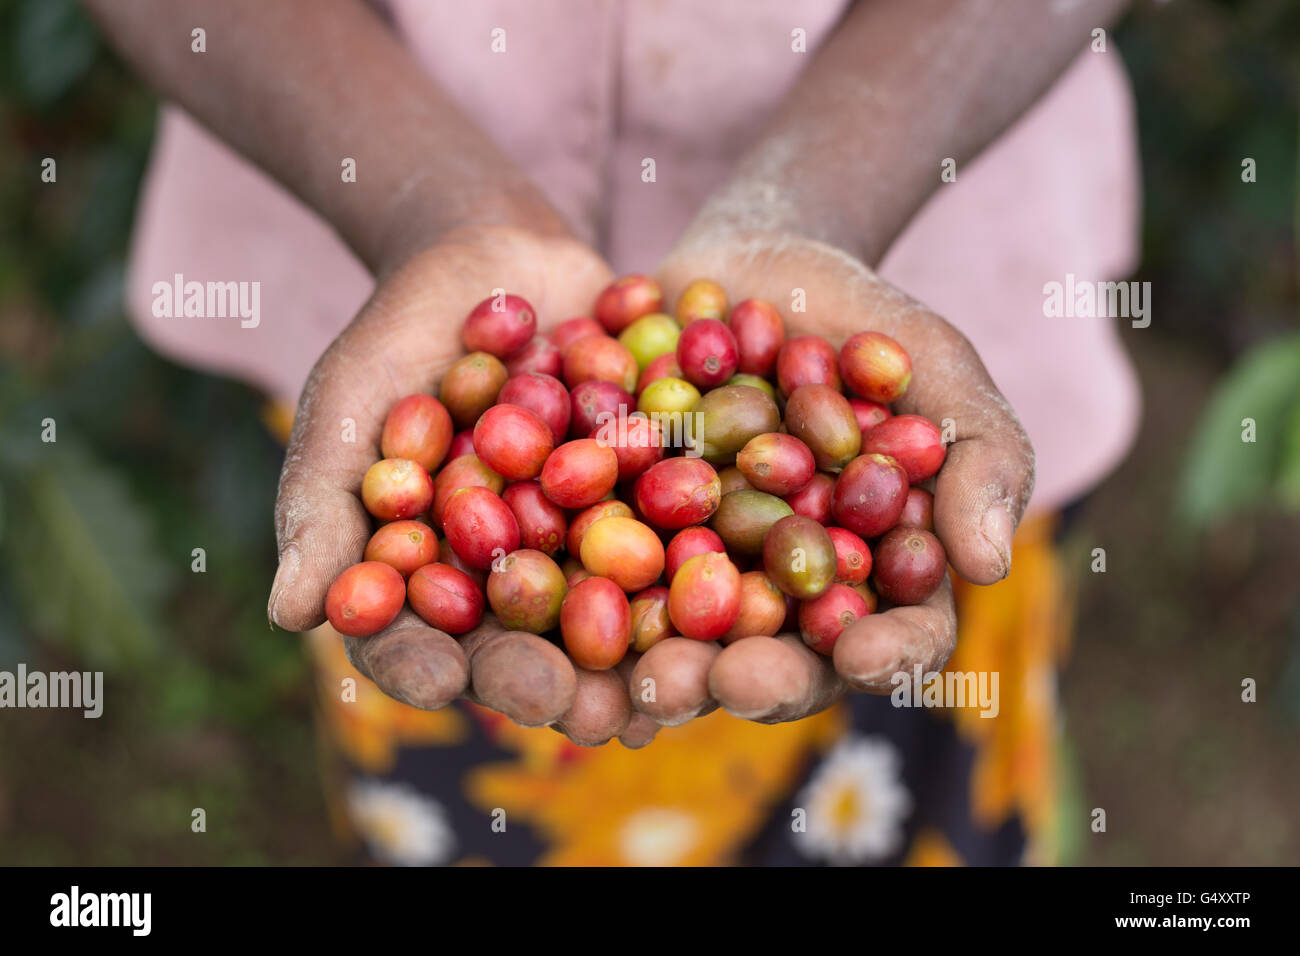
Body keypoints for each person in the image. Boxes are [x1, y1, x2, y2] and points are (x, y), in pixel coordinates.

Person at [87, 0, 1139, 865]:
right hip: (356, 263)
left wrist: (823, 197)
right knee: (469, 804)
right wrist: (427, 206)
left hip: (943, 237)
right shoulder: (475, 435)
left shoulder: (801, 452)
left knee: (913, 791)